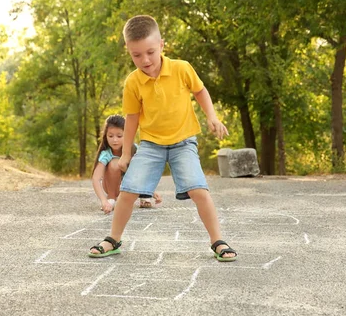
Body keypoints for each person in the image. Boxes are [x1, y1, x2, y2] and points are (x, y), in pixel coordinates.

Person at [89, 15, 237, 261]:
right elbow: (132, 119)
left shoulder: (181, 68)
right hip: (151, 145)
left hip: (183, 142)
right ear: (128, 50)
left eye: (150, 52)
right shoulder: (133, 82)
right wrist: (126, 153)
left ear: (162, 45)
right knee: (128, 191)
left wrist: (212, 116)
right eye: (137, 55)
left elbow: (200, 90)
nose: (144, 60)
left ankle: (218, 241)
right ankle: (113, 239)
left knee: (199, 190)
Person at [91, 114, 162, 214]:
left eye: (119, 136)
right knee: (115, 163)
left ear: (127, 135)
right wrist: (103, 200)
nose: (114, 140)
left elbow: (142, 172)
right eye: (110, 136)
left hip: (130, 187)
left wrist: (151, 191)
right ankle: (112, 198)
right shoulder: (106, 154)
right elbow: (96, 178)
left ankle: (144, 195)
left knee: (141, 164)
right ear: (105, 136)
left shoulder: (135, 149)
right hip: (112, 187)